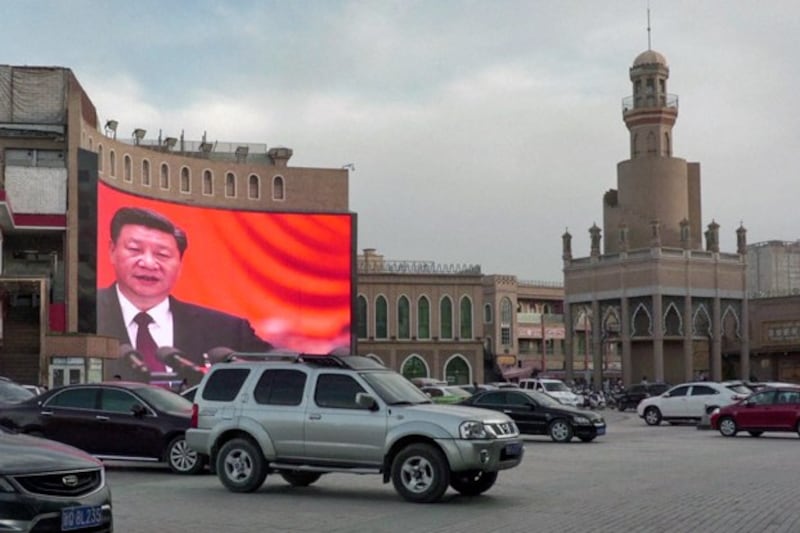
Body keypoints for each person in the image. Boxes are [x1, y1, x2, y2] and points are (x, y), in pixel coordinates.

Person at [98, 207, 272, 378]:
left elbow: (284, 373)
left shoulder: (227, 331)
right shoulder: (84, 313)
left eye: (162, 254)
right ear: (112, 251)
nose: (149, 263)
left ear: (180, 264)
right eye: (135, 250)